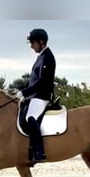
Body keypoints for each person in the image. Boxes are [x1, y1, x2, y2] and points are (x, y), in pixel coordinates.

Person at [16, 28, 56, 163]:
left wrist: (25, 93)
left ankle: (39, 151)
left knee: (30, 118)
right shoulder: (40, 57)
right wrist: (22, 89)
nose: (32, 47)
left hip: (42, 96)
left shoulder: (48, 57)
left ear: (41, 42)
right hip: (35, 96)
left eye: (33, 43)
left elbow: (41, 81)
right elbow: (32, 80)